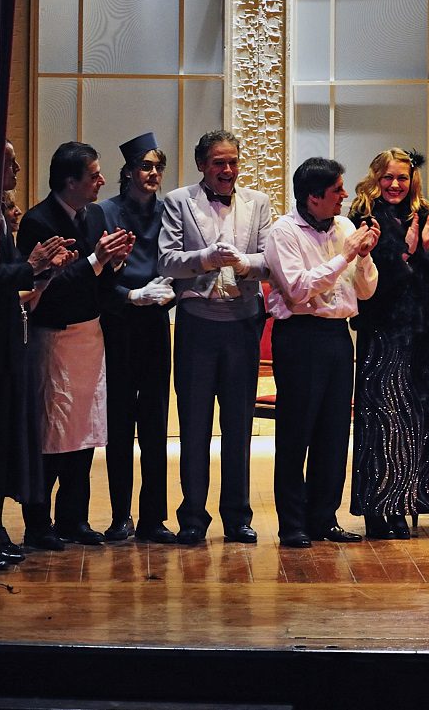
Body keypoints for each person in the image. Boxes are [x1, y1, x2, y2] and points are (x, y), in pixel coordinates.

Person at [17, 141, 135, 550]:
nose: (102, 180)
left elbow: (98, 281)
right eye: (94, 175)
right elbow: (47, 287)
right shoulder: (38, 221)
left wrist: (115, 261)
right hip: (55, 336)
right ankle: (38, 523)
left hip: (90, 335)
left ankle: (74, 518)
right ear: (70, 181)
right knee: (52, 433)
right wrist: (97, 260)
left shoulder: (93, 215)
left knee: (85, 432)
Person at [159, 129, 275, 545]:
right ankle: (192, 517)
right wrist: (206, 258)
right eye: (218, 163)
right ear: (201, 165)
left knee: (239, 425)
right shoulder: (178, 201)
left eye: (233, 162)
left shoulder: (258, 202)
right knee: (194, 424)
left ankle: (238, 516)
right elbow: (167, 260)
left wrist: (244, 264)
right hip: (198, 324)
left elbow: (270, 260)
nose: (227, 170)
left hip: (243, 323)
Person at [264, 157, 380, 548]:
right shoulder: (283, 231)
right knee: (296, 432)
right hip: (299, 337)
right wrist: (345, 256)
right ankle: (292, 523)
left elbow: (366, 291)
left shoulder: (344, 227)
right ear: (314, 197)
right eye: (337, 190)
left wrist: (364, 255)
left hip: (337, 336)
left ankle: (324, 518)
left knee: (333, 432)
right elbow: (297, 289)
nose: (344, 195)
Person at [346, 149, 429, 540]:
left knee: (413, 421)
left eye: (402, 178)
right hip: (381, 332)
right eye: (388, 177)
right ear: (376, 177)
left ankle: (404, 503)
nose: (395, 185)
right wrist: (404, 252)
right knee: (381, 420)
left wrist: (425, 251)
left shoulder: (419, 215)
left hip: (417, 334)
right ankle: (377, 508)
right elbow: (369, 285)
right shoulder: (363, 217)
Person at [96, 133, 176, 544]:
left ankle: (153, 518)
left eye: (158, 167)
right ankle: (119, 516)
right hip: (119, 325)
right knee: (120, 422)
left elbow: (178, 264)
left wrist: (169, 290)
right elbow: (93, 280)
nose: (153, 173)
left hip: (156, 324)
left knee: (155, 425)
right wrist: (129, 295)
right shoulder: (104, 213)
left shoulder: (168, 212)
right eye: (145, 166)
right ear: (128, 172)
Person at [0, 139, 75, 566]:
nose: (17, 171)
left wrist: (42, 273)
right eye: (10, 163)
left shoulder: (2, 216)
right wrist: (31, 265)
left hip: (12, 340)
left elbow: (16, 282)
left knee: (6, 437)